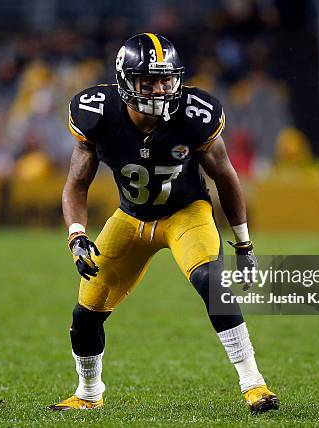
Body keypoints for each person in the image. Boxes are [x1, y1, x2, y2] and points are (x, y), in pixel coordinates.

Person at [49, 33, 279, 415]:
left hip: (185, 214)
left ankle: (254, 384)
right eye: (148, 81)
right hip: (131, 219)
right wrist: (76, 235)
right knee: (85, 312)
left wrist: (244, 244)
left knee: (212, 281)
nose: (159, 88)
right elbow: (76, 182)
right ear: (125, 81)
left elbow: (226, 177)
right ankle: (88, 393)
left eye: (166, 79)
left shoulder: (193, 113)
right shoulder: (98, 113)